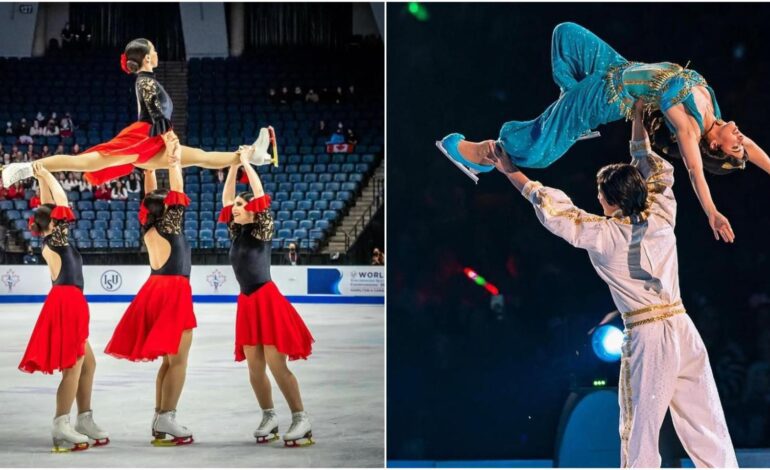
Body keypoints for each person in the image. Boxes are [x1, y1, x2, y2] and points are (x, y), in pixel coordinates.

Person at [482, 100, 737, 467]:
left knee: (640, 430)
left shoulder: (603, 234)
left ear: (610, 199)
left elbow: (551, 206)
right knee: (705, 420)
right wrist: (637, 121)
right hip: (682, 327)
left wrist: (509, 170)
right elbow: (649, 163)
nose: (597, 197)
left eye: (601, 193)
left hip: (648, 334)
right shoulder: (662, 214)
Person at [438, 22, 770, 243]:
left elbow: (696, 170)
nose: (742, 139)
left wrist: (712, 212)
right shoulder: (713, 113)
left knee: (538, 149)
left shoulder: (689, 126)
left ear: (713, 145)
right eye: (742, 144)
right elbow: (754, 149)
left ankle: (480, 153)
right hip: (616, 68)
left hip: (605, 97)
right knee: (565, 35)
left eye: (735, 147)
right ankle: (569, 105)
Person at [1, 38, 273, 188]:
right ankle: (22, 168)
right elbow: (153, 106)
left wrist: (166, 134)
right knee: (81, 162)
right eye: (153, 50)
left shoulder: (147, 79)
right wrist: (167, 135)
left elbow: (156, 107)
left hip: (153, 139)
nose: (156, 53)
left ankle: (252, 156)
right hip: (144, 137)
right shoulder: (145, 80)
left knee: (200, 157)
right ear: (146, 58)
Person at [219, 146, 316, 447]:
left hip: (267, 301)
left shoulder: (263, 228)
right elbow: (225, 200)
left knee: (277, 365)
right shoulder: (237, 232)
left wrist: (247, 163)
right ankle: (269, 415)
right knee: (254, 368)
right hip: (247, 304)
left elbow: (259, 196)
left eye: (239, 205)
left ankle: (301, 418)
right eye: (235, 205)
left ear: (252, 209)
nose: (234, 208)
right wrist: (234, 166)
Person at [104, 142, 196, 446]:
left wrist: (149, 161)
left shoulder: (150, 226)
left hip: (155, 288)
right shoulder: (171, 223)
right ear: (168, 208)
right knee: (178, 360)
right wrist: (172, 159)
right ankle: (167, 415)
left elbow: (150, 195)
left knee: (168, 362)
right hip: (173, 291)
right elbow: (176, 189)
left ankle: (160, 417)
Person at [20, 162, 109, 452]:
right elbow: (60, 204)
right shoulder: (56, 239)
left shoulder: (51, 237)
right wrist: (45, 173)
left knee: (88, 364)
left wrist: (40, 175)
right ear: (55, 224)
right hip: (66, 303)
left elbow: (49, 204)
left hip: (69, 301)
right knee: (73, 367)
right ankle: (61, 425)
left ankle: (84, 419)